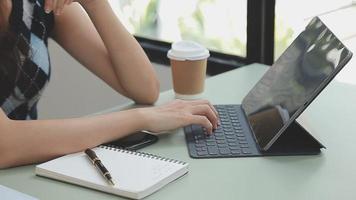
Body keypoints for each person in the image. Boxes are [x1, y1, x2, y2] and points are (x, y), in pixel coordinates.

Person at [0, 0, 219, 169]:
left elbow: (144, 88)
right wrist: (142, 118)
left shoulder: (36, 5)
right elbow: (5, 144)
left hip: (23, 172)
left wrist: (95, 4)